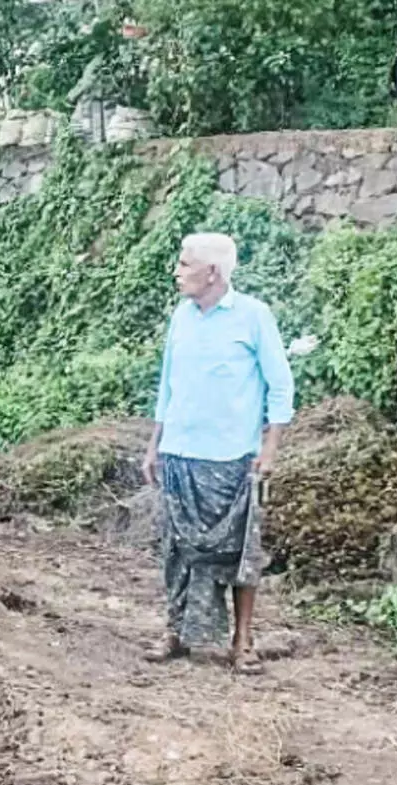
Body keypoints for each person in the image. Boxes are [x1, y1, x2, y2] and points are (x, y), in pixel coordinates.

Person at [142, 232, 295, 675]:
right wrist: (155, 444)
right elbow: (167, 386)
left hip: (231, 459)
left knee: (240, 553)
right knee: (177, 550)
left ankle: (242, 642)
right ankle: (176, 629)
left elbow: (280, 384)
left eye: (185, 264)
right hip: (180, 455)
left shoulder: (253, 316)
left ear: (213, 272)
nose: (177, 270)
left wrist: (270, 447)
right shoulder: (181, 318)